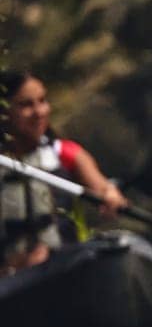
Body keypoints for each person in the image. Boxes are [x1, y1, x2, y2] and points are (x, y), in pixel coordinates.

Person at [1, 68, 128, 274]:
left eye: (42, 101)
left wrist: (110, 195)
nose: (39, 112)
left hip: (66, 270)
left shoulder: (65, 153)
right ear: (4, 112)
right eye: (26, 105)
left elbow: (103, 188)